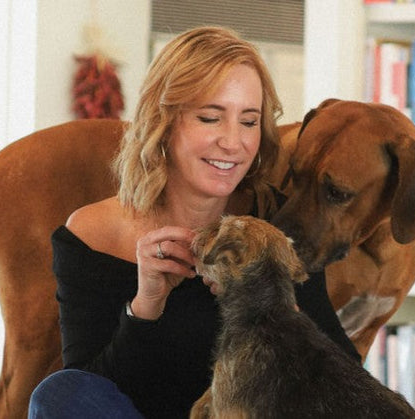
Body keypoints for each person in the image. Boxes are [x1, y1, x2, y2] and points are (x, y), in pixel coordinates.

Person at [28, 26, 359, 419]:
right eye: (210, 117)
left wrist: (276, 309)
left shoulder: (277, 226)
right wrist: (146, 305)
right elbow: (84, 398)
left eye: (249, 122)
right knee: (58, 393)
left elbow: (349, 383)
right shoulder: (90, 234)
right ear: (163, 121)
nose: (234, 142)